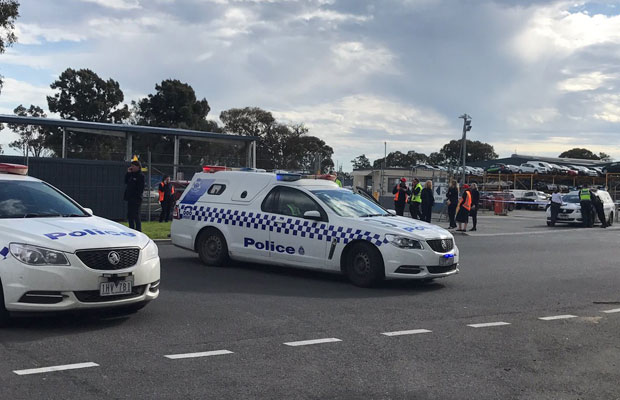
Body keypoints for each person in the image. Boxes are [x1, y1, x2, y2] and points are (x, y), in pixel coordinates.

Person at [124, 160, 145, 232]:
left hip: (136, 199)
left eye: (133, 166)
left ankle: (138, 230)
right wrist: (128, 173)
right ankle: (131, 229)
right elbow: (126, 181)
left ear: (138, 167)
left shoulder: (140, 176)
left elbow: (140, 188)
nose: (132, 167)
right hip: (130, 198)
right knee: (130, 215)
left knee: (136, 215)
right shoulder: (131, 174)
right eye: (131, 166)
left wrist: (136, 196)